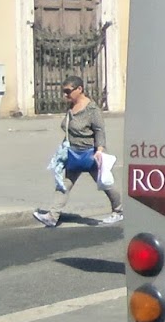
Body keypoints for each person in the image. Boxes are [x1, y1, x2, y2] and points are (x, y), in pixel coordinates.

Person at [34, 76, 123, 227]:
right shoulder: (71, 107)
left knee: (106, 183)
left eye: (68, 91)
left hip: (90, 154)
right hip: (73, 154)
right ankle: (52, 216)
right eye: (64, 92)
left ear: (79, 89)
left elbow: (100, 131)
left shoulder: (92, 110)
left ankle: (119, 211)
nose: (65, 95)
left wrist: (100, 150)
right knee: (64, 185)